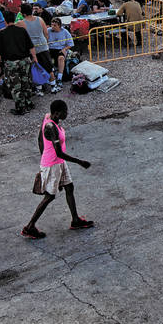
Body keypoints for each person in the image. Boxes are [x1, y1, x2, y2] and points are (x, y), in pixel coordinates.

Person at [22, 99, 94, 239]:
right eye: (65, 112)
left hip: (58, 162)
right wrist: (80, 162)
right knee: (50, 196)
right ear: (57, 113)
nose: (67, 114)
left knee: (69, 187)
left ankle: (75, 220)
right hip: (52, 164)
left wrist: (43, 154)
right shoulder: (51, 127)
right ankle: (29, 227)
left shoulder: (48, 117)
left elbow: (39, 139)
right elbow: (59, 152)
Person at [0, 9, 38, 115]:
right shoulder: (22, 31)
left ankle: (20, 107)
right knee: (26, 82)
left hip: (11, 63)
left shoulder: (2, 34)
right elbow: (31, 46)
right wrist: (34, 57)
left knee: (15, 86)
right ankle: (29, 102)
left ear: (4, 20)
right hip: (25, 61)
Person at [20, 3, 53, 91]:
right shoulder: (40, 19)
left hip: (32, 48)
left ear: (23, 13)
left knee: (35, 68)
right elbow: (46, 33)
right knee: (48, 65)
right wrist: (45, 41)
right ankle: (53, 84)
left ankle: (39, 88)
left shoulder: (21, 23)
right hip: (42, 44)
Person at [47, 17, 74, 85]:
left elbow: (71, 44)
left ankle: (59, 77)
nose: (52, 27)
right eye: (52, 25)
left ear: (59, 25)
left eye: (55, 25)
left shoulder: (65, 32)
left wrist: (64, 49)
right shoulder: (48, 30)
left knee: (61, 58)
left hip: (60, 48)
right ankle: (50, 76)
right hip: (50, 48)